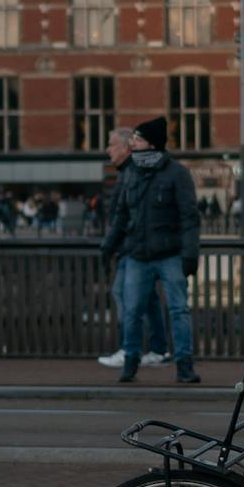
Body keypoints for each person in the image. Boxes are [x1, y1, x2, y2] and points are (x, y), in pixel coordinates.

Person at [101, 116, 201, 385]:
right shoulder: (131, 172)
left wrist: (190, 253)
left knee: (178, 309)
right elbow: (121, 215)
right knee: (132, 310)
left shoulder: (177, 174)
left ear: (151, 143)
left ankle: (184, 364)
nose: (132, 143)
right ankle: (131, 362)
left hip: (170, 254)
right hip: (138, 254)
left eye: (137, 138)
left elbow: (190, 218)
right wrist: (108, 246)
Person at [97, 127, 170, 370]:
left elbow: (123, 215)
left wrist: (109, 245)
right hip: (135, 246)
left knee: (126, 297)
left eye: (111, 144)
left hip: (133, 248)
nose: (108, 149)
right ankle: (157, 349)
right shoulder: (132, 171)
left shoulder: (131, 172)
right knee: (147, 301)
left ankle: (131, 350)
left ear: (127, 147)